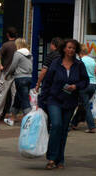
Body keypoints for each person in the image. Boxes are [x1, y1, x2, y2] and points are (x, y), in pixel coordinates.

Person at [37, 37, 88, 169]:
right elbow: (47, 82)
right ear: (64, 49)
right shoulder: (55, 63)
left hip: (70, 101)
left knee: (64, 129)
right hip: (54, 99)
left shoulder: (79, 65)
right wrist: (42, 101)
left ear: (76, 50)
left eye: (73, 48)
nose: (71, 50)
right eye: (68, 47)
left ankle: (60, 159)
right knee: (57, 125)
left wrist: (75, 87)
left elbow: (85, 81)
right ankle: (51, 158)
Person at [3, 38, 34, 126]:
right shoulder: (30, 54)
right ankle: (12, 119)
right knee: (18, 98)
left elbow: (13, 66)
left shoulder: (18, 54)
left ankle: (29, 120)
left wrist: (7, 74)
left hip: (20, 78)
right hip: (29, 78)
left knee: (24, 99)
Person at [71, 45, 96, 133]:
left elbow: (77, 74)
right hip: (93, 84)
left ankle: (91, 126)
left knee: (85, 106)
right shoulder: (92, 60)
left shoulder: (80, 61)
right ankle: (74, 123)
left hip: (84, 85)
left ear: (80, 53)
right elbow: (94, 72)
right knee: (82, 104)